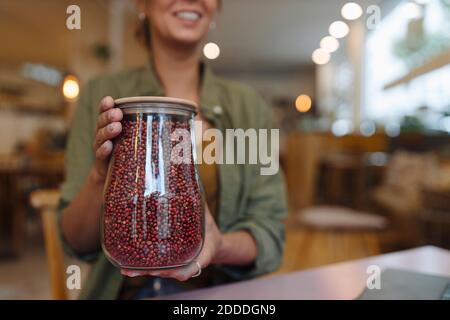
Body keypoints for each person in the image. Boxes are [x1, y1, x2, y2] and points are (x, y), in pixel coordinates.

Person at [59, 0, 287, 299]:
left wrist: (219, 246)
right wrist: (100, 176)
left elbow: (271, 236)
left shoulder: (249, 108)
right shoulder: (102, 96)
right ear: (142, 4)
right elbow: (75, 241)